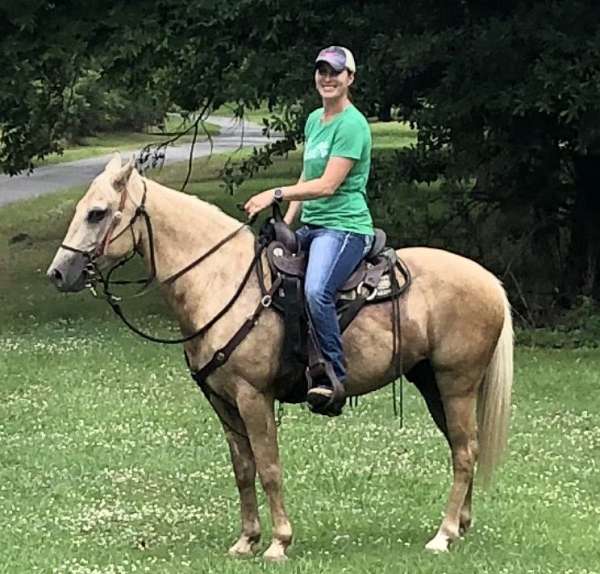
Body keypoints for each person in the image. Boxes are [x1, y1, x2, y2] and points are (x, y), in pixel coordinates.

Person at [244, 45, 374, 415]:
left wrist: (275, 192)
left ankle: (332, 374)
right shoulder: (315, 120)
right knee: (267, 270)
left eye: (335, 72)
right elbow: (308, 176)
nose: (327, 78)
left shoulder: (353, 125)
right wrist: (286, 223)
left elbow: (328, 185)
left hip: (345, 227)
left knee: (317, 289)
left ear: (350, 78)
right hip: (314, 226)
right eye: (322, 71)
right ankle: (289, 359)